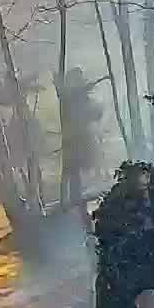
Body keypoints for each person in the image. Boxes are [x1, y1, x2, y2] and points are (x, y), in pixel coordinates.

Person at [58, 67, 104, 205]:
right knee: (73, 170)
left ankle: (81, 195)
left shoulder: (79, 96)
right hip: (73, 139)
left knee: (82, 167)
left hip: (82, 137)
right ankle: (73, 199)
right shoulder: (69, 96)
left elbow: (93, 113)